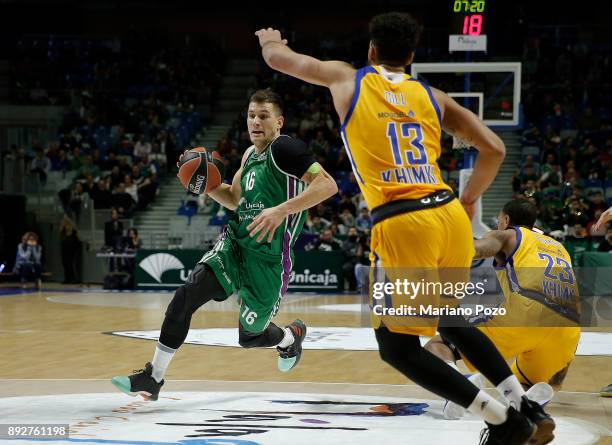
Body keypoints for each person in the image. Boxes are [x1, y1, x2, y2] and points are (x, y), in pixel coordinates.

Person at [256, 13, 552, 444]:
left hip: (403, 219)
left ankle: (503, 420)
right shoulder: (432, 96)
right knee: (452, 322)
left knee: (396, 348)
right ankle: (522, 401)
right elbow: (495, 147)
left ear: (371, 51)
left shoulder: (348, 78)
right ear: (411, 57)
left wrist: (269, 42)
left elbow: (283, 61)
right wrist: (469, 200)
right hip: (448, 214)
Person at [112, 89, 338, 401]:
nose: (255, 121)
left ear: (279, 121)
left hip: (269, 261)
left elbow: (327, 184)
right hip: (235, 245)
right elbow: (233, 199)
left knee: (250, 337)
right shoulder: (248, 155)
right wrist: (206, 184)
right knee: (185, 296)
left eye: (263, 116)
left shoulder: (285, 148)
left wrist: (280, 210)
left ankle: (289, 336)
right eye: (251, 115)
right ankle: (154, 378)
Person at [424, 199, 580, 419]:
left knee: (438, 344)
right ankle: (535, 399)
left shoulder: (509, 234)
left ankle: (461, 386)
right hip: (569, 327)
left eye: (499, 221)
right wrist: (557, 378)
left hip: (528, 311)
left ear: (506, 220)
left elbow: (476, 250)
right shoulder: (558, 246)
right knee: (525, 383)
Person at [59, 215, 81, 284]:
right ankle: (67, 278)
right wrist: (63, 224)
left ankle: (74, 278)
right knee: (65, 263)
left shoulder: (73, 232)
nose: (66, 226)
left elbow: (77, 241)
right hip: (65, 249)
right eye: (65, 224)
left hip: (72, 250)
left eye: (67, 224)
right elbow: (60, 232)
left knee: (71, 264)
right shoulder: (63, 232)